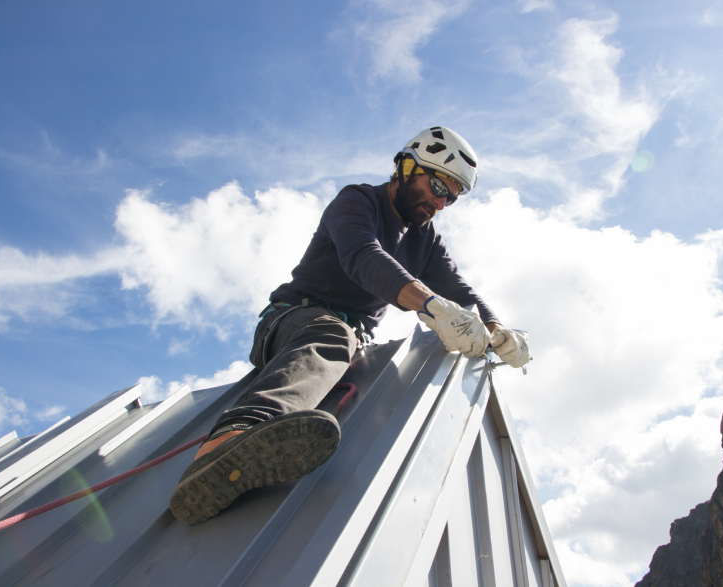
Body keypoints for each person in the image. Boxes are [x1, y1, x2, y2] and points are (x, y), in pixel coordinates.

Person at [169, 126, 530, 525]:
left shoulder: (425, 240)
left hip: (348, 341)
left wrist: (497, 328)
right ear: (407, 167)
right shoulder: (357, 201)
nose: (441, 204)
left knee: (372, 363)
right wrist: (429, 306)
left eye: (453, 197)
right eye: (439, 187)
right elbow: (363, 257)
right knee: (333, 334)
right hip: (292, 321)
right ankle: (231, 437)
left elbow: (460, 290)